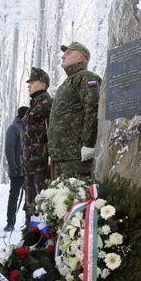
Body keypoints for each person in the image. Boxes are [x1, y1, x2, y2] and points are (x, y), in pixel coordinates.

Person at [48, 42, 100, 179]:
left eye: (69, 52)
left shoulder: (86, 77)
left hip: (76, 156)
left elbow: (93, 108)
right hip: (62, 156)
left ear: (80, 58)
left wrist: (88, 144)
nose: (63, 56)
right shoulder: (67, 82)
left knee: (77, 198)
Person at [22, 67, 53, 229]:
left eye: (32, 82)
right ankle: (30, 237)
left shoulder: (48, 104)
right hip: (30, 165)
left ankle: (42, 240)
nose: (29, 86)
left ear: (43, 84)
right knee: (30, 204)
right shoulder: (34, 106)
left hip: (41, 165)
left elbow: (53, 133)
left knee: (41, 204)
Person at [3, 106, 29, 232]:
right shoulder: (13, 128)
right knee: (14, 196)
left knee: (30, 197)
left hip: (29, 169)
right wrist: (13, 167)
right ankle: (10, 222)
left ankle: (29, 222)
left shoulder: (29, 127)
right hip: (17, 170)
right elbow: (9, 148)